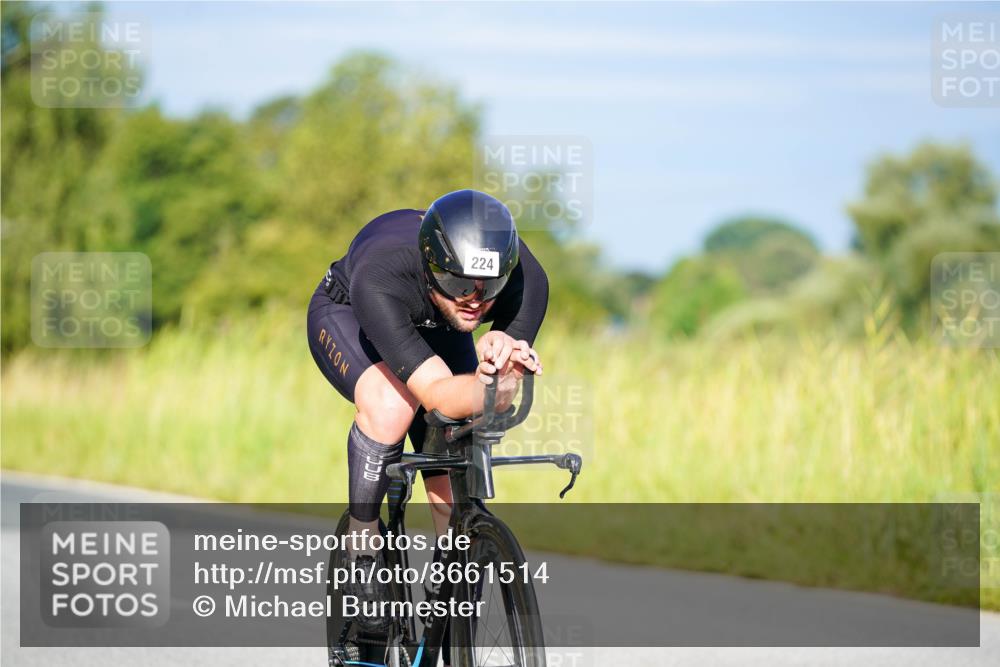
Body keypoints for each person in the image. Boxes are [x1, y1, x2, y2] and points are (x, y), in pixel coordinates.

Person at [306, 189, 548, 631]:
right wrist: (483, 384)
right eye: (460, 283)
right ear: (433, 266)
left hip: (440, 326)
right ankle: (363, 547)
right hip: (352, 316)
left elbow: (486, 394)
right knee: (393, 403)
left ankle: (449, 601)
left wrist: (505, 372)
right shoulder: (383, 275)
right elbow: (437, 392)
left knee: (458, 465)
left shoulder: (523, 277)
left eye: (488, 287)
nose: (475, 299)